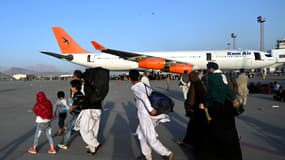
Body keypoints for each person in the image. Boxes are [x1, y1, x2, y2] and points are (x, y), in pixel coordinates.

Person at [129, 70, 173, 160]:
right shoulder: (143, 85)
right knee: (141, 134)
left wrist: (151, 110)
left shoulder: (136, 88)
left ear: (129, 78)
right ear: (138, 77)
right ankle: (147, 156)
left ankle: (166, 153)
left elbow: (144, 98)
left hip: (146, 115)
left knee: (150, 138)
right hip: (145, 114)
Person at [202, 62, 242, 160]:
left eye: (208, 69)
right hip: (227, 105)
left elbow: (210, 92)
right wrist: (233, 99)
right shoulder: (223, 76)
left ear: (211, 69)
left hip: (217, 105)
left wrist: (206, 104)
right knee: (230, 128)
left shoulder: (210, 77)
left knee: (216, 130)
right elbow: (227, 89)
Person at [176, 71, 209, 158]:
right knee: (193, 127)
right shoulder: (200, 84)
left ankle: (197, 148)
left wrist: (189, 107)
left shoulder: (195, 85)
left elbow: (191, 99)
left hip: (196, 111)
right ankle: (188, 142)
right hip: (199, 110)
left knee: (196, 128)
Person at [58, 80, 84, 150]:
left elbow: (73, 106)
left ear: (75, 87)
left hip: (77, 115)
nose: (70, 88)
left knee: (68, 129)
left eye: (71, 87)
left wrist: (68, 107)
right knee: (71, 127)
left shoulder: (77, 95)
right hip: (78, 114)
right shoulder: (80, 94)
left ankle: (64, 144)